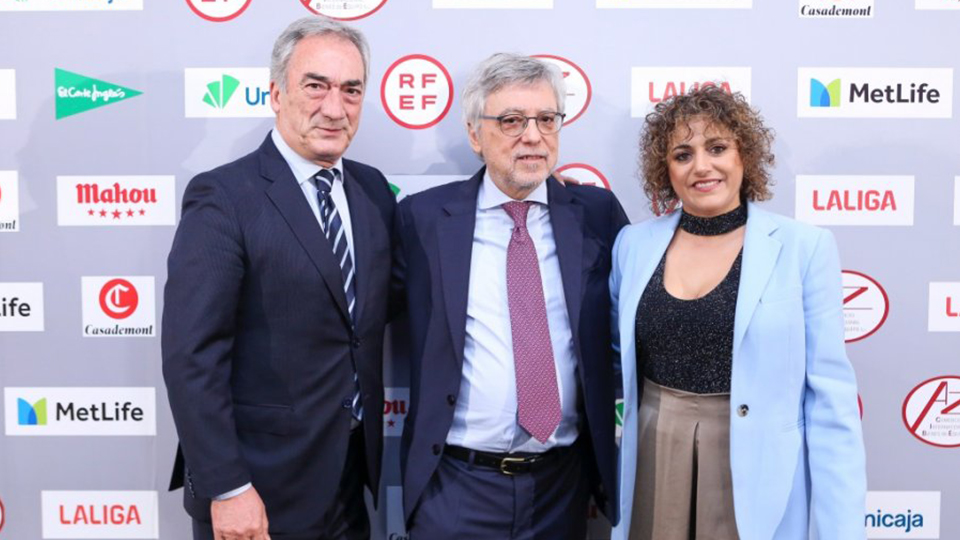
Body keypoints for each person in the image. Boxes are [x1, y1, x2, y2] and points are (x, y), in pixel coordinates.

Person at [162, 17, 398, 540]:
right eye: (316, 85)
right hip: (258, 491)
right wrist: (228, 487)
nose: (334, 108)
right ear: (276, 93)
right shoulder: (223, 197)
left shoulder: (373, 190)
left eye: (351, 90)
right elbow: (192, 356)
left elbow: (395, 299)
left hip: (349, 481)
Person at [610, 86, 867, 540]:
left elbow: (832, 402)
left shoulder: (804, 248)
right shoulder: (633, 245)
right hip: (652, 452)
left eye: (717, 148)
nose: (702, 166)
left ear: (743, 155)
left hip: (758, 465)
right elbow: (613, 356)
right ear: (664, 169)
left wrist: (840, 529)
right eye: (682, 154)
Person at [394, 53, 629, 538]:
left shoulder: (596, 213)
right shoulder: (421, 219)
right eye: (511, 121)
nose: (533, 135)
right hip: (455, 484)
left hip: (562, 487)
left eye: (546, 119)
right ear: (475, 135)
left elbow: (637, 321)